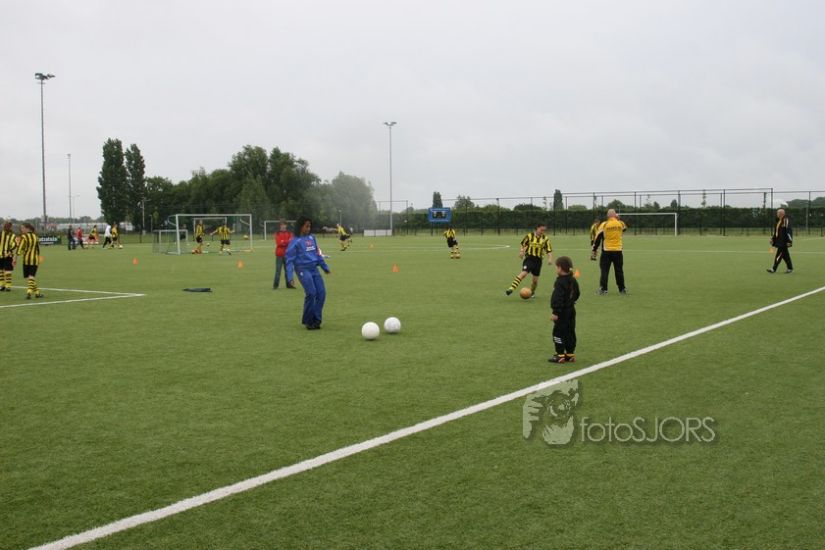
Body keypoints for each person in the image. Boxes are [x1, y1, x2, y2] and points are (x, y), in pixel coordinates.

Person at [286, 216, 330, 330]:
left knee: (321, 294)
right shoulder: (294, 241)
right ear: (300, 226)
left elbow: (317, 254)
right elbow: (289, 260)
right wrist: (290, 277)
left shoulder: (312, 238)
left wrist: (324, 267)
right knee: (311, 293)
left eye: (310, 226)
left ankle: (317, 320)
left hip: (314, 269)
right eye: (306, 226)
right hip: (302, 269)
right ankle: (308, 321)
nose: (308, 228)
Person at [505, 222, 553, 297]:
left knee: (535, 281)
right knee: (523, 273)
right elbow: (523, 244)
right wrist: (521, 252)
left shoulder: (545, 239)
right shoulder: (529, 236)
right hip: (529, 259)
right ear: (537, 228)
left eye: (544, 230)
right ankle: (511, 288)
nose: (543, 232)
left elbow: (548, 250)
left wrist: (550, 258)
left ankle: (532, 292)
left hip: (538, 261)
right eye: (541, 230)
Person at [549, 256, 580, 364]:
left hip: (561, 313)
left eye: (556, 267)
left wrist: (555, 312)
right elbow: (577, 293)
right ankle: (570, 354)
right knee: (570, 331)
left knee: (558, 332)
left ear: (560, 268)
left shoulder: (559, 282)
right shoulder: (573, 280)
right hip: (571, 310)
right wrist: (571, 301)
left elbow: (557, 298)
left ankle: (560, 355)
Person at [591, 209, 628, 295]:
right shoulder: (620, 223)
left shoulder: (604, 224)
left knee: (604, 271)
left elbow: (597, 238)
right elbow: (625, 227)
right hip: (618, 251)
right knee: (619, 271)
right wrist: (618, 219)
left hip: (606, 251)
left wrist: (594, 249)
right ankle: (622, 289)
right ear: (615, 215)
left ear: (607, 216)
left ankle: (603, 289)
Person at [17, 223, 44, 299]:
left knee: (29, 277)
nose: (21, 229)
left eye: (22, 228)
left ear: (27, 228)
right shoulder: (36, 237)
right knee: (31, 277)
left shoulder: (23, 237)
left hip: (26, 260)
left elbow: (20, 249)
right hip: (34, 259)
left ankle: (29, 292)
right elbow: (38, 249)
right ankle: (37, 293)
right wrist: (38, 258)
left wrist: (15, 258)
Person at [767, 208, 793, 274]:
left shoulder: (785, 220)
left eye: (778, 213)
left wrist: (789, 241)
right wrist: (772, 239)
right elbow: (776, 232)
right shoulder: (778, 221)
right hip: (780, 242)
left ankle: (773, 268)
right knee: (785, 256)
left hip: (783, 242)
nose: (777, 214)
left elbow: (789, 231)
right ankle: (790, 268)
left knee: (778, 255)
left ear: (781, 214)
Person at [273, 221, 294, 289]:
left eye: (284, 225)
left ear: (286, 226)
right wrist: (287, 242)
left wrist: (283, 241)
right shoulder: (277, 233)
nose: (283, 226)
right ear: (280, 226)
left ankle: (289, 285)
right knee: (278, 271)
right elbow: (279, 243)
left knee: (288, 271)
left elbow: (291, 242)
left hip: (287, 255)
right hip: (279, 255)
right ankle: (275, 286)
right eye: (282, 225)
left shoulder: (289, 233)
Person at [0, 221, 16, 291]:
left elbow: (14, 245)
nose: (7, 227)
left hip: (7, 255)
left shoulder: (12, 235)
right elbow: (14, 245)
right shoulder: (12, 235)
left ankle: (5, 286)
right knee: (3, 271)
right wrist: (9, 251)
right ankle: (4, 286)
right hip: (4, 255)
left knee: (6, 270)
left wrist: (9, 252)